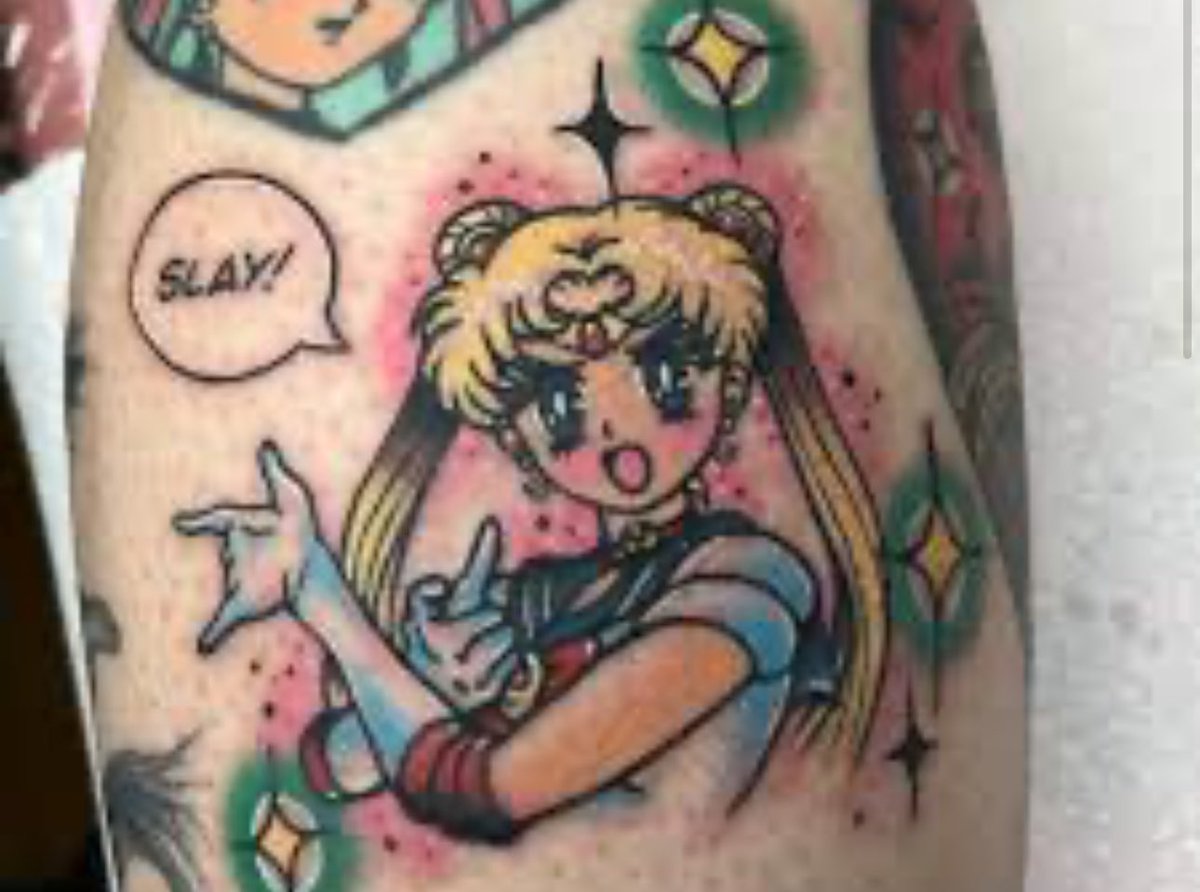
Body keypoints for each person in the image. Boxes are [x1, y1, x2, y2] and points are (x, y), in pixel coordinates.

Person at [72, 0, 1028, 888]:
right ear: (518, 441)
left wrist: (325, 601)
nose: (619, 436)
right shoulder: (558, 595)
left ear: (730, 380)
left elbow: (486, 790)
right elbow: (350, 763)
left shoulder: (746, 583)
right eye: (561, 409)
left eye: (666, 378)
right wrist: (439, 682)